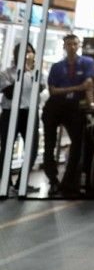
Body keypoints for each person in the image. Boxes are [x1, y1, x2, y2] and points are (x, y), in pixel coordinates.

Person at [43, 34, 94, 196]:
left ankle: (69, 181)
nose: (72, 47)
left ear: (79, 45)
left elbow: (89, 86)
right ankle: (52, 180)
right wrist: (77, 88)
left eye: (75, 44)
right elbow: (53, 91)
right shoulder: (57, 67)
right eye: (69, 44)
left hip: (74, 108)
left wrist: (92, 104)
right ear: (64, 46)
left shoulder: (87, 63)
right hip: (55, 106)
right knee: (49, 144)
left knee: (77, 143)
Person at [1, 42, 40, 193]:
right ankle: (6, 183)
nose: (27, 55)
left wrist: (29, 72)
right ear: (16, 54)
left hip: (29, 113)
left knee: (32, 149)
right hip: (11, 113)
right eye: (24, 52)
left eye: (30, 52)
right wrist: (24, 71)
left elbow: (40, 88)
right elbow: (9, 93)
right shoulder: (6, 73)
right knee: (6, 149)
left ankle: (21, 183)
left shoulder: (36, 72)